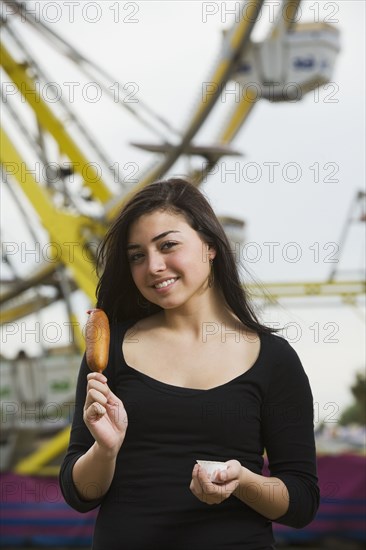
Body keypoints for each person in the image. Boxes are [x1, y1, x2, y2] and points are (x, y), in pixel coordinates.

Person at [59, 178, 319, 549]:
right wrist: (105, 450)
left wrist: (242, 482)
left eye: (168, 245)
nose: (153, 266)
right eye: (137, 256)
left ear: (210, 245)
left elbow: (302, 501)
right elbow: (78, 494)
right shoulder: (109, 352)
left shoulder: (275, 359)